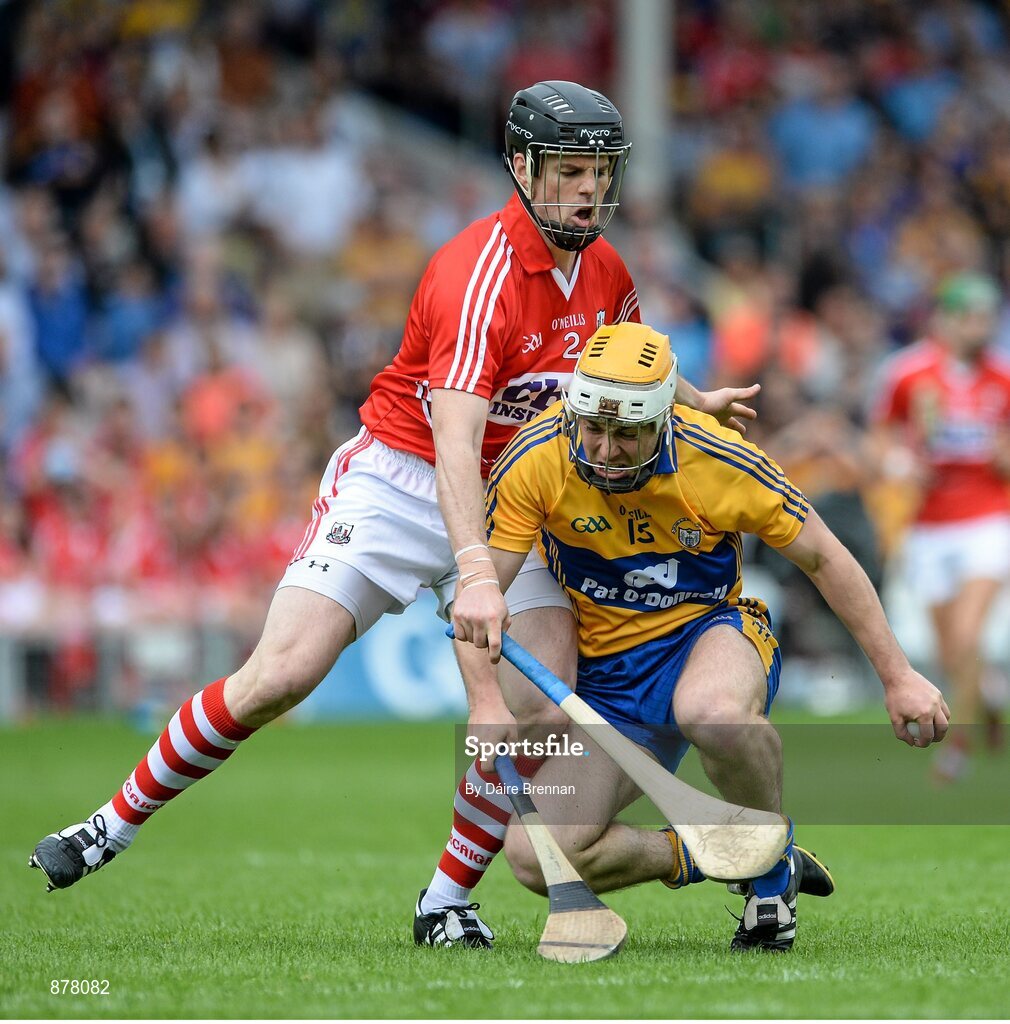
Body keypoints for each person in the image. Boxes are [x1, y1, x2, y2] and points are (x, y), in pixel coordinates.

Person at [27, 82, 757, 936]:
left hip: (517, 495)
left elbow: (622, 367)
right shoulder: (478, 276)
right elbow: (452, 442)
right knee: (282, 675)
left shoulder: (606, 267)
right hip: (403, 484)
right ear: (522, 168)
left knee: (537, 704)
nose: (590, 190)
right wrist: (475, 570)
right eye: (569, 172)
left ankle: (445, 901)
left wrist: (695, 399)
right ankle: (107, 825)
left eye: (600, 171)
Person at [454, 320, 950, 950]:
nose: (603, 450)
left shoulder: (718, 461)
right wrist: (485, 701)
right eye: (593, 428)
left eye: (625, 434)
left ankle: (769, 881)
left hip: (711, 633)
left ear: (662, 421)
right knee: (536, 856)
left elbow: (825, 557)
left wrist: (897, 675)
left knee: (711, 713)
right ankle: (716, 854)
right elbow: (482, 598)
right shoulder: (538, 457)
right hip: (606, 684)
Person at [872, 271, 1010, 782]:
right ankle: (990, 696)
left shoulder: (1003, 377)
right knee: (950, 648)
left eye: (987, 318)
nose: (982, 328)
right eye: (971, 318)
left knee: (971, 633)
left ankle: (960, 749)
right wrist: (900, 465)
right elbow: (882, 436)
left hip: (988, 517)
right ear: (945, 319)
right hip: (929, 523)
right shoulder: (908, 373)